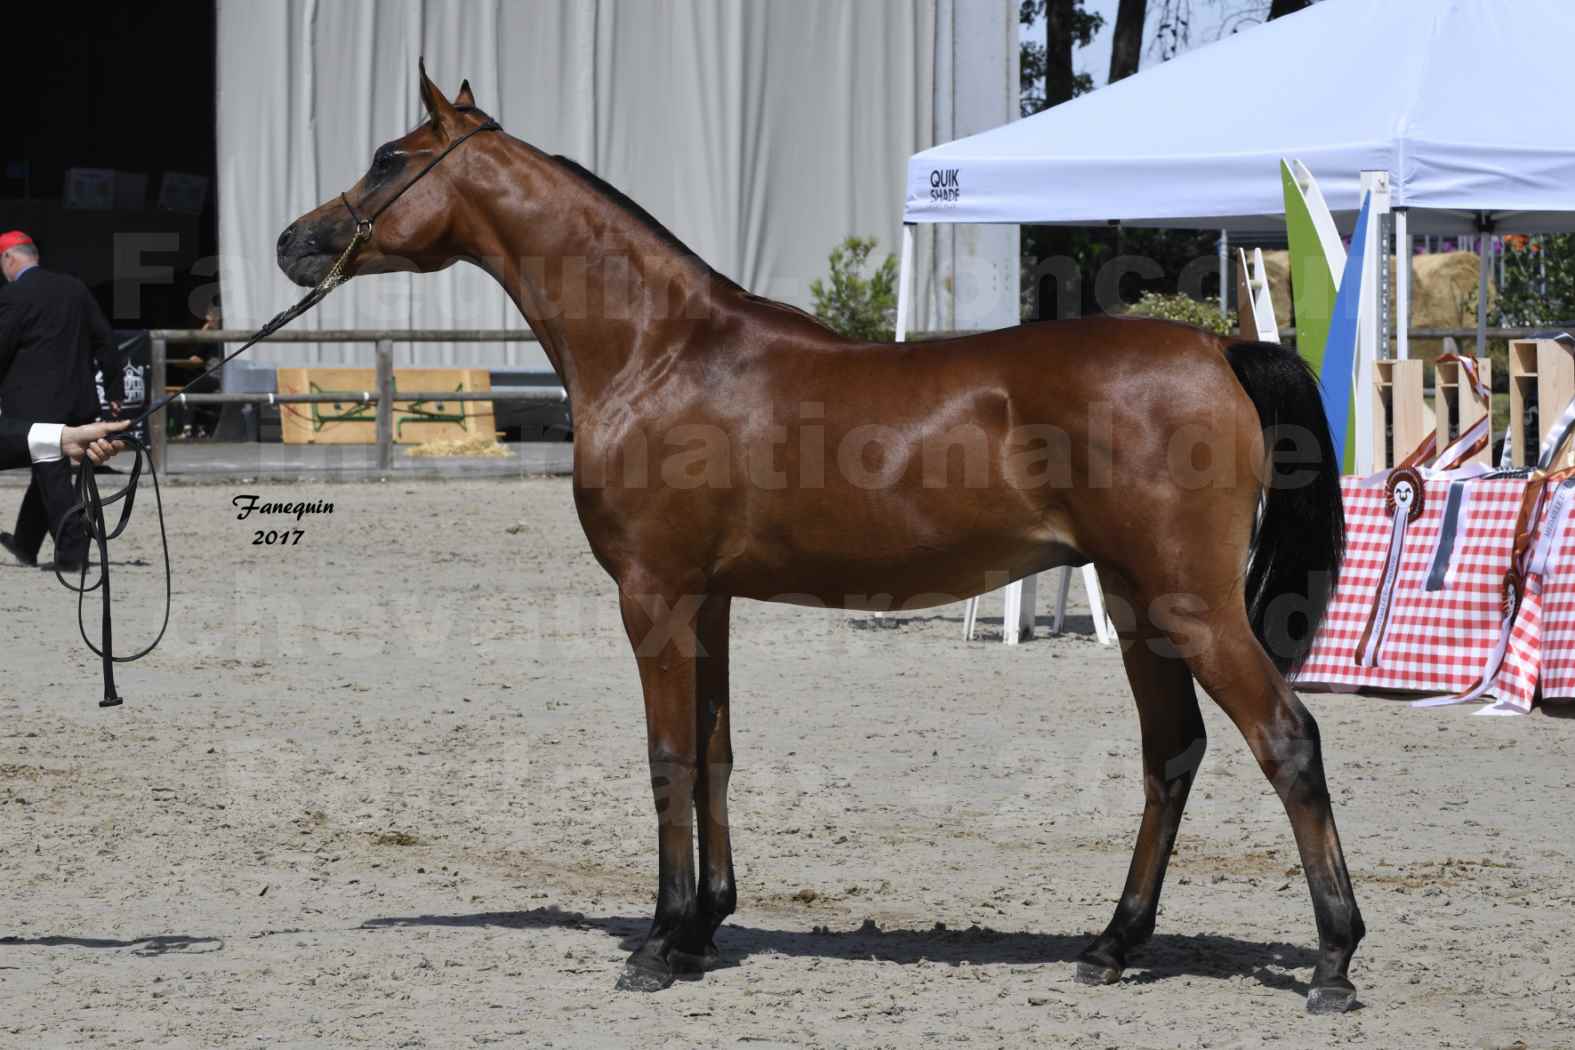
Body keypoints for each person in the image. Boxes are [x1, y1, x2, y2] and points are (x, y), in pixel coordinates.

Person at [0, 230, 127, 570]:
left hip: (36, 409)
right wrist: (115, 391)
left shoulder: (14, 295)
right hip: (78, 404)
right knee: (48, 473)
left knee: (53, 477)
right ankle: (25, 543)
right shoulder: (75, 288)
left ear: (10, 258)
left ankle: (73, 554)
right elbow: (105, 340)